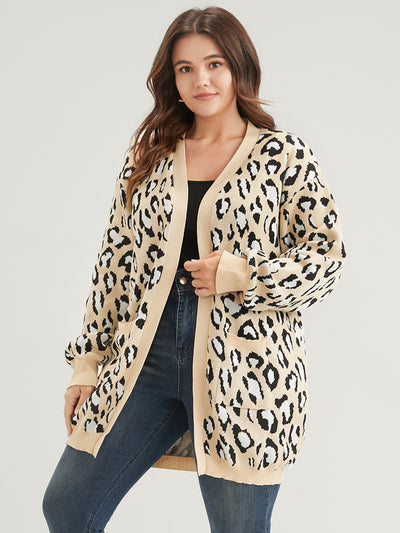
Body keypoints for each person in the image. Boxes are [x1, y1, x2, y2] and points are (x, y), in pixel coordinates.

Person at [42, 6, 346, 533]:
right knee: (67, 506)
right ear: (172, 79)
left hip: (246, 371)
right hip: (145, 359)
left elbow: (326, 258)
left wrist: (245, 276)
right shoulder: (150, 156)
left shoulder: (284, 155)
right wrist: (88, 364)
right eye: (185, 68)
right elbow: (114, 265)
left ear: (239, 66)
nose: (201, 80)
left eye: (214, 64)